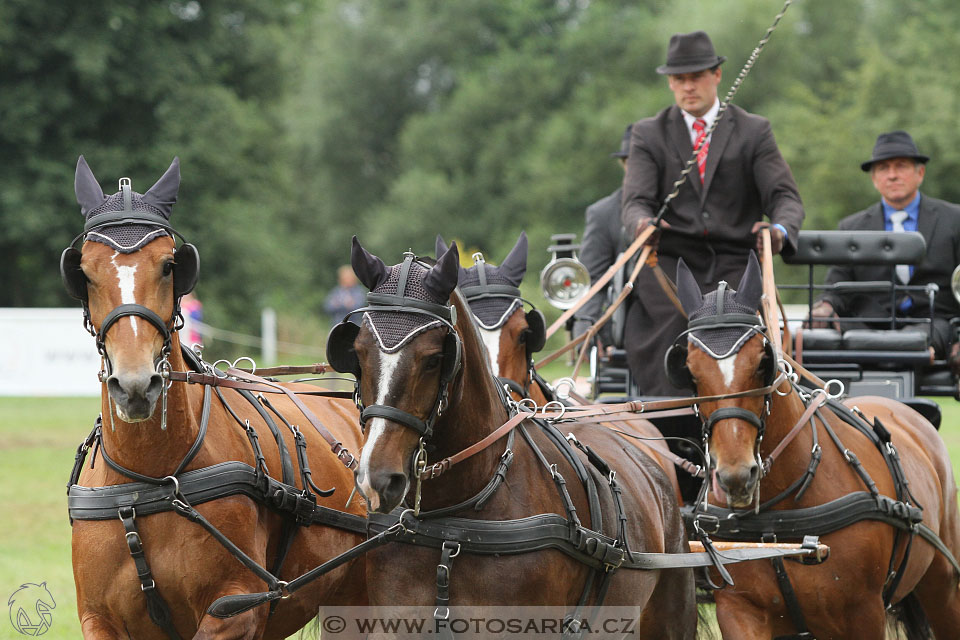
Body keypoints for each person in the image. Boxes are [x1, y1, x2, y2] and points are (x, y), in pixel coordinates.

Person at [620, 30, 804, 395]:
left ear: (717, 75)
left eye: (697, 77)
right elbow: (635, 202)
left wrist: (780, 230)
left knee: (733, 327)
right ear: (671, 83)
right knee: (674, 322)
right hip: (671, 264)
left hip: (738, 263)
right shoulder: (648, 134)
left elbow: (785, 197)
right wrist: (642, 224)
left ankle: (748, 416)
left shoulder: (754, 131)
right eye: (679, 79)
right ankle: (670, 424)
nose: (688, 87)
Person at [809, 131, 960, 365]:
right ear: (874, 179)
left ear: (920, 173)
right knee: (819, 331)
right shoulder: (852, 227)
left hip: (934, 322)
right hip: (869, 323)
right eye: (883, 168)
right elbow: (837, 284)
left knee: (933, 333)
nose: (892, 175)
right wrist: (825, 306)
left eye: (901, 166)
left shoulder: (953, 219)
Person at [573, 124, 632, 342]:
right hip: (625, 329)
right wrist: (586, 326)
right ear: (624, 164)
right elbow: (592, 279)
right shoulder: (603, 214)